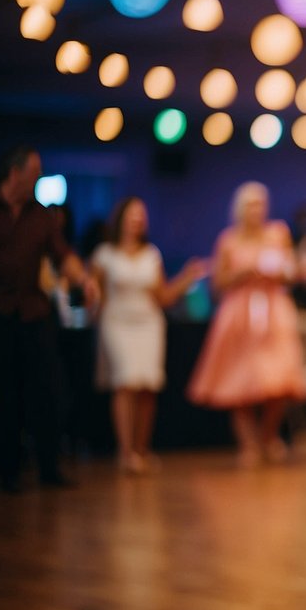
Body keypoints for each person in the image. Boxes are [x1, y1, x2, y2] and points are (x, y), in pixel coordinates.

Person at [0, 145, 99, 491]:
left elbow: (62, 255)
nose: (39, 176)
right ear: (15, 173)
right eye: (34, 170)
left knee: (49, 390)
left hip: (34, 313)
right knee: (6, 395)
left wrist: (83, 279)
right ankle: (8, 471)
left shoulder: (41, 216)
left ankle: (48, 468)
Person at [187, 181, 306, 467]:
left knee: (277, 380)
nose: (256, 210)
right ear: (239, 208)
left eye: (260, 204)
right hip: (238, 315)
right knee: (238, 381)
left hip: (273, 311)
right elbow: (216, 286)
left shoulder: (278, 233)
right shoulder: (228, 240)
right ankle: (248, 443)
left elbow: (293, 273)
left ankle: (269, 437)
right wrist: (242, 274)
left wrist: (280, 273)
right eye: (250, 204)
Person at [91, 196, 206, 473]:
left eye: (141, 216)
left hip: (148, 323)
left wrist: (186, 278)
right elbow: (95, 295)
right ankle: (125, 451)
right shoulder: (104, 255)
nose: (137, 221)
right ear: (121, 219)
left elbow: (163, 296)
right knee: (125, 381)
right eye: (132, 215)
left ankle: (141, 450)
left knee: (146, 386)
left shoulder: (151, 254)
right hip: (117, 322)